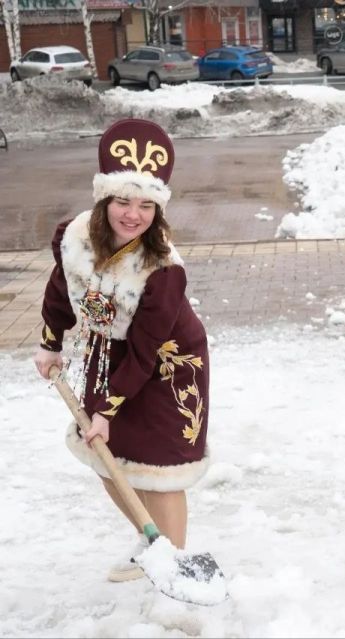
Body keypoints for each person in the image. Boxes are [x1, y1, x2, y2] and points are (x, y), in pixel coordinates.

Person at [33, 118, 210, 583]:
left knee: (159, 468)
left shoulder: (163, 268)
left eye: (146, 205)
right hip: (106, 354)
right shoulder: (76, 239)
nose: (134, 215)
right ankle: (154, 543)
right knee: (109, 460)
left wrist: (108, 408)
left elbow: (148, 345)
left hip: (166, 363)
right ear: (104, 200)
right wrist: (50, 343)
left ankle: (173, 568)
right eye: (123, 201)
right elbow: (60, 289)